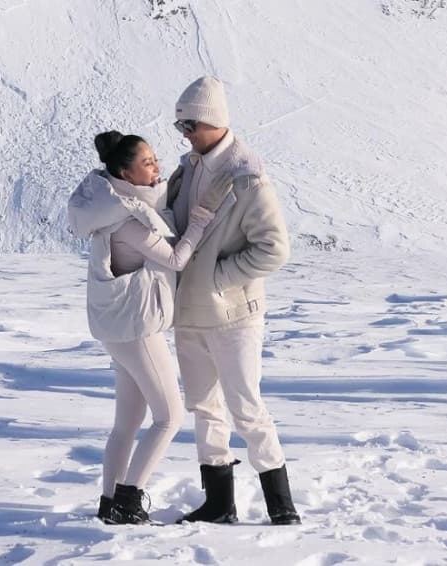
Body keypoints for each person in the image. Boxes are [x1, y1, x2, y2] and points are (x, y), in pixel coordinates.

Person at [67, 131, 228, 525]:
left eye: (155, 159)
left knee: (127, 423)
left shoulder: (113, 206)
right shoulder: (127, 218)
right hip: (137, 328)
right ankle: (127, 498)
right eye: (148, 163)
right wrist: (200, 222)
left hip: (122, 327)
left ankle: (109, 502)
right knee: (169, 417)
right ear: (125, 172)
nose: (156, 168)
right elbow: (174, 258)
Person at [166, 76, 301, 525]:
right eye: (181, 126)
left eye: (191, 126)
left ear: (215, 122)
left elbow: (274, 248)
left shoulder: (248, 177)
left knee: (246, 407)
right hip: (188, 314)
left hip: (232, 316)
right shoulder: (187, 171)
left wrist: (217, 277)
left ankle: (282, 507)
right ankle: (220, 504)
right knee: (203, 407)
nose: (184, 134)